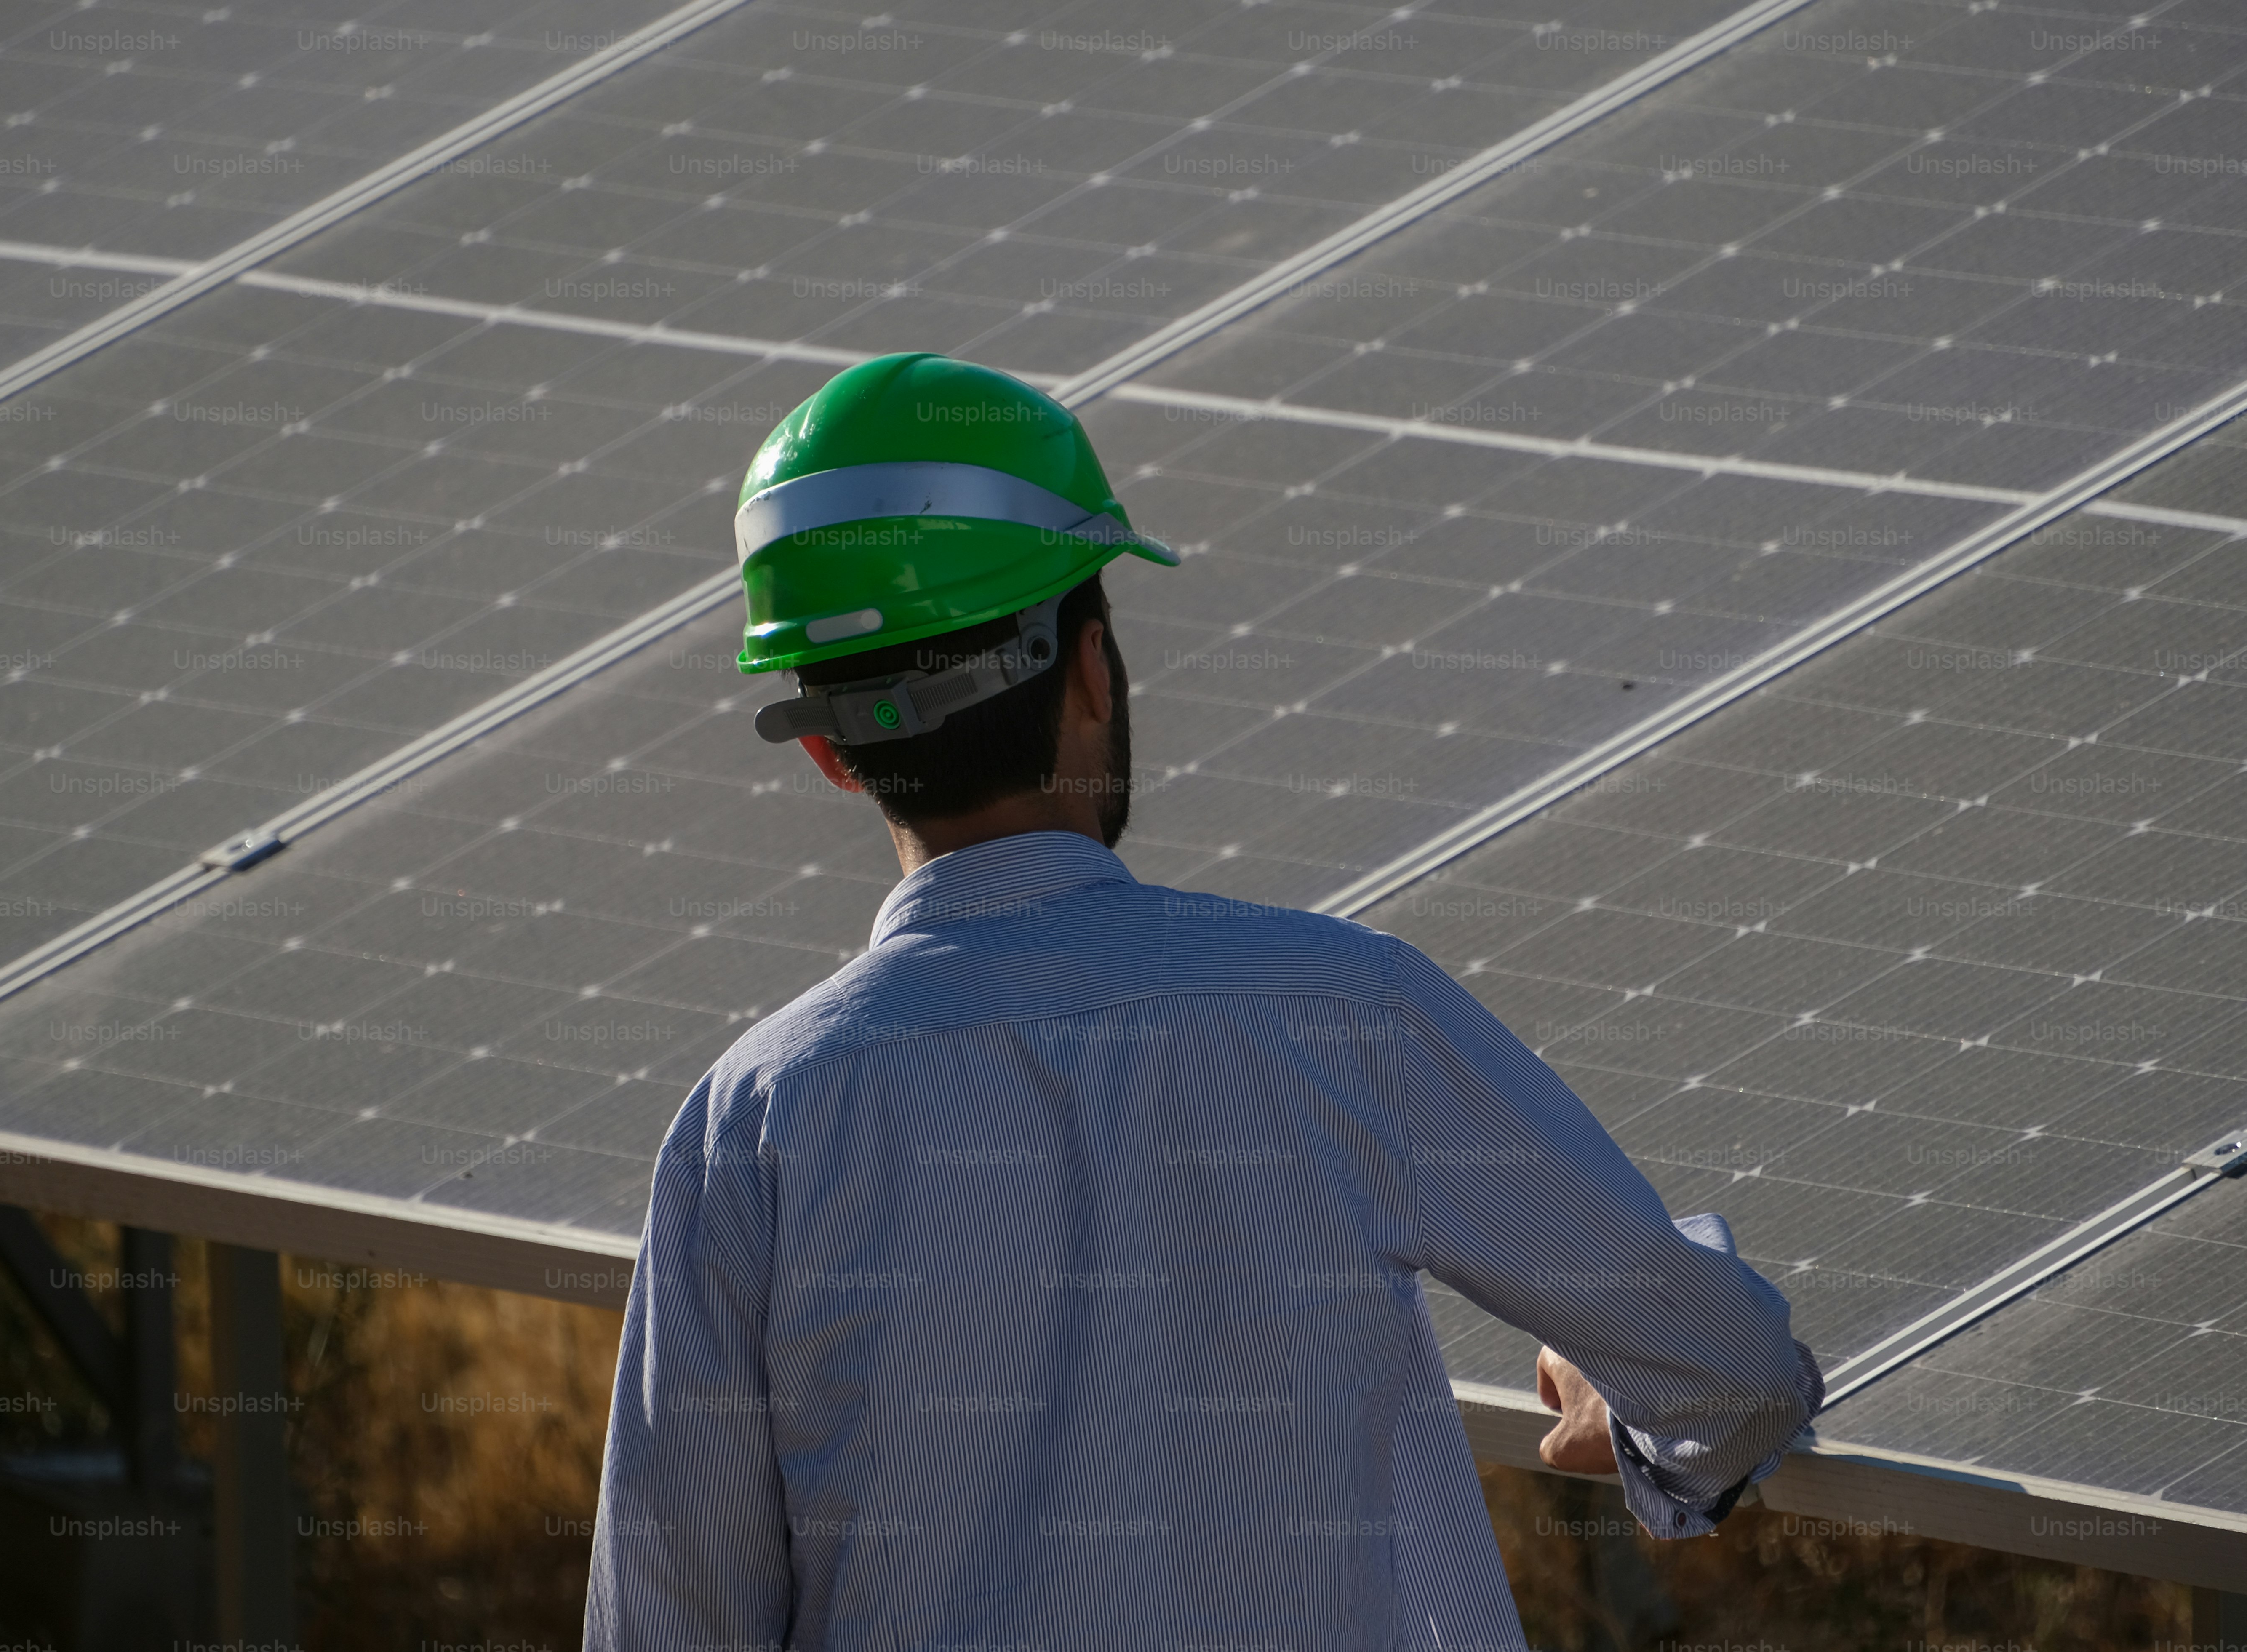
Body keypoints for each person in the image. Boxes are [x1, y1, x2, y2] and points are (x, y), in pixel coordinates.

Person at [584, 352, 1822, 1651]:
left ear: (833, 750)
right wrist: (1619, 1381)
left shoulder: (748, 1129)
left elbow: (673, 1620)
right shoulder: (1345, 1013)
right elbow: (1731, 1382)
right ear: (1093, 671)